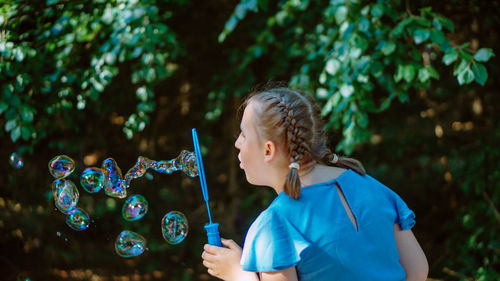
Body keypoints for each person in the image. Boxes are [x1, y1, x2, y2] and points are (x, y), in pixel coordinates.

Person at [201, 87, 428, 281]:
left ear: (268, 150)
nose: (237, 143)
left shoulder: (275, 223)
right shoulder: (371, 186)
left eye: (243, 134)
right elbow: (418, 270)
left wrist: (237, 274)